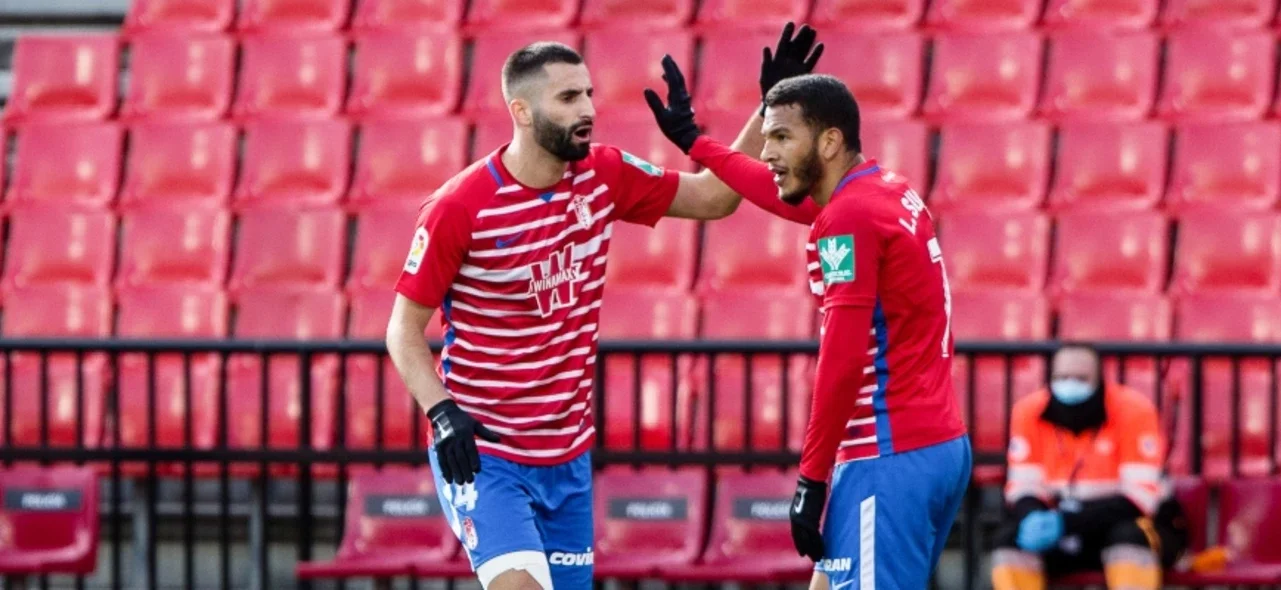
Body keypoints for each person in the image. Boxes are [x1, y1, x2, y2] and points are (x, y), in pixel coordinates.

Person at [385, 25, 824, 590]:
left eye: (588, 94)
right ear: (521, 110)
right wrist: (442, 413)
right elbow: (403, 328)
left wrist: (768, 108)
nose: (587, 108)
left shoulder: (605, 174)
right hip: (488, 454)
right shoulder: (458, 207)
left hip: (567, 457)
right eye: (568, 98)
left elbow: (715, 197)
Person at [646, 71, 971, 589]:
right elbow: (778, 194)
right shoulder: (884, 191)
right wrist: (696, 144)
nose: (767, 152)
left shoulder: (850, 218)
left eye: (781, 137)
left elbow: (841, 360)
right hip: (933, 444)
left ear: (829, 140)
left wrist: (810, 480)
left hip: (885, 454)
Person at [991, 343, 1189, 590]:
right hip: (1059, 524)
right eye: (1062, 377)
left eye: (1081, 377)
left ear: (1099, 380)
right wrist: (1033, 516)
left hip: (1131, 524)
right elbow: (1022, 486)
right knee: (1011, 541)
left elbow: (1139, 499)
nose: (1070, 384)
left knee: (1129, 538)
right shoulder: (1028, 411)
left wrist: (1067, 522)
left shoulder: (1134, 410)